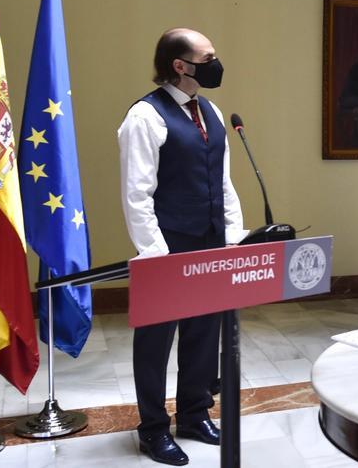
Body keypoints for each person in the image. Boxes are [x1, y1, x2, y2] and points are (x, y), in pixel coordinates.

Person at [117, 28, 246, 466]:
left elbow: (223, 182)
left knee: (203, 334)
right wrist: (156, 255)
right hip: (167, 246)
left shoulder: (208, 109)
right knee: (155, 343)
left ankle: (194, 414)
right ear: (180, 65)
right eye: (207, 57)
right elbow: (137, 194)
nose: (215, 63)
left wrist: (233, 238)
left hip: (210, 241)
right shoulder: (145, 117)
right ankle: (153, 429)